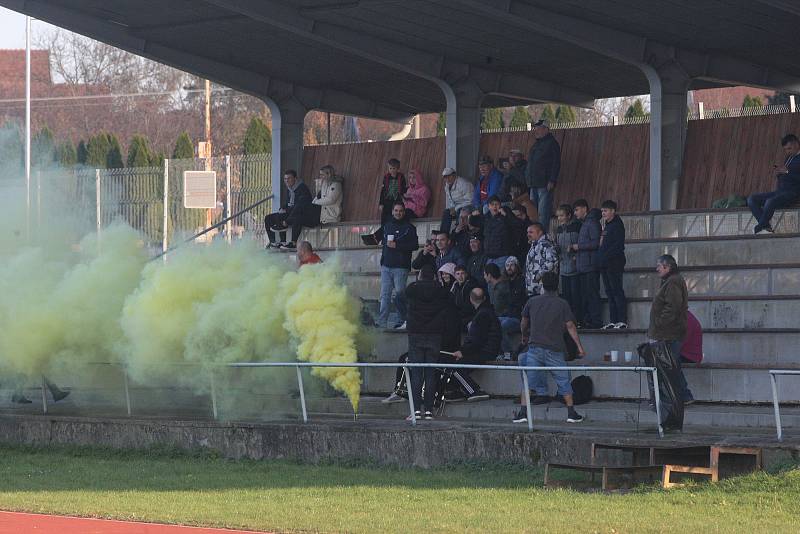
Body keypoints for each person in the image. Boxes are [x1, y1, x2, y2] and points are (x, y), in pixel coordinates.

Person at [513, 271, 585, 424]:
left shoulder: (532, 301)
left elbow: (524, 322)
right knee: (564, 381)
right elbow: (570, 326)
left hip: (535, 349)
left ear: (542, 285)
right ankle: (571, 413)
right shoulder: (562, 303)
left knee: (529, 381)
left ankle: (523, 413)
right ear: (556, 286)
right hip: (555, 349)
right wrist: (579, 347)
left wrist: (524, 335)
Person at [404, 263, 451, 420]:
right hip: (435, 335)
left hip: (416, 335)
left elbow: (399, 298)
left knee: (416, 374)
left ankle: (416, 410)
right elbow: (449, 303)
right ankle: (429, 410)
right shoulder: (441, 291)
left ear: (420, 275)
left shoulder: (412, 289)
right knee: (431, 374)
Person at [648, 254, 694, 404]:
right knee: (672, 365)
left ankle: (682, 396)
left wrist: (660, 323)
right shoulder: (671, 281)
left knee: (671, 366)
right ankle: (681, 395)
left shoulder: (673, 282)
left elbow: (672, 307)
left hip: (669, 333)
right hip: (669, 332)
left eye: (659, 266)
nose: (657, 269)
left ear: (667, 267)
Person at [449, 288, 498, 402]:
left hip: (485, 352)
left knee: (456, 368)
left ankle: (474, 390)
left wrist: (462, 351)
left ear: (471, 299)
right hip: (488, 349)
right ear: (484, 298)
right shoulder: (486, 312)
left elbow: (476, 340)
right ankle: (458, 390)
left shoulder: (482, 315)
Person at [376, 202, 419, 329]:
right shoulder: (387, 226)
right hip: (386, 266)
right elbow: (380, 240)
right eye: (396, 210)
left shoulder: (409, 228)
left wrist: (398, 246)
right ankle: (382, 321)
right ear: (392, 212)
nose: (398, 213)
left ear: (404, 212)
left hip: (401, 267)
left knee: (400, 294)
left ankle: (401, 320)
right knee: (385, 294)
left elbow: (415, 246)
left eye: (400, 211)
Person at [748, 133, 800, 234]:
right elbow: (787, 173)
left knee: (770, 202)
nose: (787, 152)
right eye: (785, 149)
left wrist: (787, 172)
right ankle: (766, 227)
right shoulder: (789, 157)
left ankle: (759, 228)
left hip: (792, 193)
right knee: (751, 199)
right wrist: (780, 172)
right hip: (780, 191)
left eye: (789, 148)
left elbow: (792, 175)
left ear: (796, 144)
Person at [525, 120, 561, 233]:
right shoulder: (537, 144)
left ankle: (542, 237)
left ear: (546, 129)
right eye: (535, 128)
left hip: (544, 184)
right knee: (533, 213)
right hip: (533, 183)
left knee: (543, 214)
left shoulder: (552, 143)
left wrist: (552, 180)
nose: (536, 130)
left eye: (538, 128)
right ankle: (534, 237)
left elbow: (556, 163)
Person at [572, 200, 603, 329]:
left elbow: (596, 243)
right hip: (584, 266)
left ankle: (596, 321)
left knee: (592, 294)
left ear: (584, 209)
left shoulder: (591, 223)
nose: (575, 213)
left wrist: (579, 247)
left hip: (590, 266)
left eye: (577, 210)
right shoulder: (585, 223)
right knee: (586, 295)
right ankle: (589, 320)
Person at [597, 200, 627, 329]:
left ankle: (622, 319)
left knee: (616, 290)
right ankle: (613, 320)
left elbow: (618, 245)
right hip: (605, 263)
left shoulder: (617, 225)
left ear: (613, 211)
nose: (603, 213)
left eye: (606, 211)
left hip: (614, 263)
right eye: (602, 211)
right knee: (609, 292)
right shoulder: (607, 225)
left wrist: (606, 256)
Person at [264, 169, 312, 248]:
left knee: (286, 217)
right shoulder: (289, 189)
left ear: (295, 179)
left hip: (301, 213)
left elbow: (300, 206)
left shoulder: (302, 188)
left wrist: (287, 215)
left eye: (289, 178)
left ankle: (291, 242)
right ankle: (273, 242)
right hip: (291, 212)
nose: (287, 181)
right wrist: (282, 208)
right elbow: (287, 203)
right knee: (268, 218)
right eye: (285, 179)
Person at [483, 263, 517, 361]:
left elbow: (501, 308)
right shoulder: (492, 287)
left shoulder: (503, 287)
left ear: (489, 275)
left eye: (485, 274)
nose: (484, 277)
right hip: (500, 316)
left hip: (511, 317)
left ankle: (508, 353)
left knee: (498, 325)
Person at [554, 204, 582, 320]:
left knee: (576, 296)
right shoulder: (558, 229)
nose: (559, 218)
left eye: (562, 215)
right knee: (566, 296)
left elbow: (581, 243)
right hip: (563, 267)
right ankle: (568, 320)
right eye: (558, 216)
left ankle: (578, 319)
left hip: (575, 267)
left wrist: (575, 253)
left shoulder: (577, 226)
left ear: (569, 215)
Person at [524, 222, 558, 297]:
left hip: (542, 290)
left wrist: (537, 276)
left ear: (540, 232)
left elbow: (551, 263)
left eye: (531, 232)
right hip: (533, 289)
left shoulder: (546, 245)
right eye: (527, 232)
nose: (528, 234)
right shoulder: (534, 245)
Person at [440, 167, 473, 233]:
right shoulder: (447, 186)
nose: (447, 179)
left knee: (460, 211)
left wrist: (456, 208)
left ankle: (459, 233)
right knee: (446, 212)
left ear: (454, 175)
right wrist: (452, 208)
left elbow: (470, 200)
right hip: (457, 207)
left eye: (449, 176)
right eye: (445, 177)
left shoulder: (463, 184)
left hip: (468, 206)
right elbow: (451, 200)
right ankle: (443, 235)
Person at [482, 196, 513, 268]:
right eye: (492, 204)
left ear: (500, 205)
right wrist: (473, 215)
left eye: (497, 204)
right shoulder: (486, 218)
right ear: (488, 206)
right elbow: (473, 222)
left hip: (502, 256)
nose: (495, 206)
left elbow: (516, 224)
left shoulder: (506, 215)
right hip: (489, 257)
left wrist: (505, 215)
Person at [378, 158, 407, 224]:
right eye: (390, 168)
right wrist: (381, 203)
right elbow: (383, 191)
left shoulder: (401, 177)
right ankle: (384, 228)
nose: (392, 170)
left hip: (397, 200)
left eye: (393, 168)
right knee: (385, 216)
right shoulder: (386, 177)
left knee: (395, 215)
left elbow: (403, 188)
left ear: (397, 169)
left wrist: (404, 198)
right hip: (387, 200)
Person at [451, 264, 479, 328]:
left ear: (466, 274)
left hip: (471, 316)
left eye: (462, 273)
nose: (460, 276)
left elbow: (468, 308)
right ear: (454, 275)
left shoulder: (470, 285)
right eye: (458, 274)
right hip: (461, 315)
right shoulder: (456, 286)